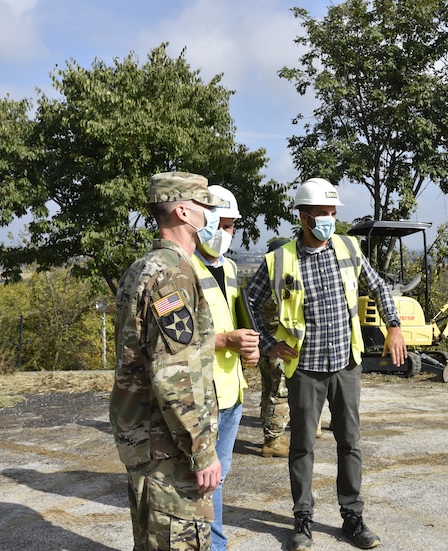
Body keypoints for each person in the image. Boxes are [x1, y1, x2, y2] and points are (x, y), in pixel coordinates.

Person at [243, 177, 407, 551]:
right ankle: (302, 520)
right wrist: (268, 343)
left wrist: (393, 326)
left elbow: (379, 286)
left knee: (350, 442)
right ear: (303, 216)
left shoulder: (348, 248)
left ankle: (352, 517)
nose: (329, 220)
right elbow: (248, 300)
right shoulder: (280, 258)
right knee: (302, 446)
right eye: (321, 213)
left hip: (346, 364)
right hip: (305, 367)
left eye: (333, 213)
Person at [109, 171, 222, 551]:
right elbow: (174, 374)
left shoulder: (144, 267)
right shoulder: (171, 275)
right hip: (168, 449)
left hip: (150, 440)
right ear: (184, 211)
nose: (211, 215)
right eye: (206, 206)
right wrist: (202, 451)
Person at [190, 184, 260, 551]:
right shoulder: (182, 268)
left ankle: (213, 541)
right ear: (205, 221)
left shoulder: (230, 268)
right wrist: (225, 341)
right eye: (223, 224)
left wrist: (250, 346)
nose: (226, 234)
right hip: (200, 392)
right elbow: (174, 341)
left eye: (232, 227)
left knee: (220, 473)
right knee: (202, 476)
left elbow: (235, 320)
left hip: (231, 388)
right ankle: (212, 545)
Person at [257, 238, 292, 459]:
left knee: (268, 390)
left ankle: (272, 435)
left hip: (265, 346)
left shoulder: (262, 283)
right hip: (278, 348)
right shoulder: (279, 286)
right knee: (280, 394)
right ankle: (273, 441)